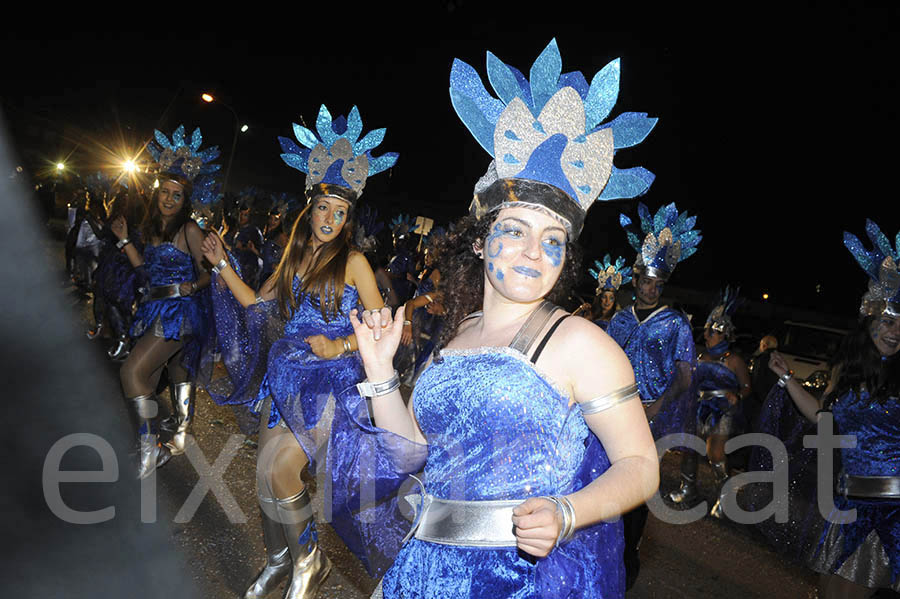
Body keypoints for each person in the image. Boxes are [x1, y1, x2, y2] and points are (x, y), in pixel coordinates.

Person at [348, 38, 660, 598]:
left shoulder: (580, 343)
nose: (533, 252)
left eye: (553, 240)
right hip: (422, 569)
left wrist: (568, 513)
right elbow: (411, 454)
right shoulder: (459, 333)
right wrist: (380, 372)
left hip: (514, 581)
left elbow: (639, 464)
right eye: (514, 230)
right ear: (479, 241)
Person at [202, 104, 397, 599]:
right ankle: (278, 560)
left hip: (329, 382)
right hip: (284, 377)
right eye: (324, 208)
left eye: (341, 211)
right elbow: (254, 304)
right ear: (309, 207)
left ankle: (310, 562)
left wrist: (340, 344)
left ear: (350, 217)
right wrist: (222, 263)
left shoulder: (354, 262)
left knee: (284, 471)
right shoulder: (292, 257)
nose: (331, 219)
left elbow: (387, 327)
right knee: (265, 478)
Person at [760, 220, 900, 598]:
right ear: (869, 320)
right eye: (888, 321)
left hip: (889, 509)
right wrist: (787, 378)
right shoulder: (846, 369)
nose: (895, 332)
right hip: (847, 500)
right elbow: (823, 418)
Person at [111, 125, 219, 479]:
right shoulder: (150, 230)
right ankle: (153, 445)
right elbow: (144, 272)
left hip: (179, 313)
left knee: (132, 372)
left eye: (177, 195)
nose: (170, 200)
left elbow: (210, 272)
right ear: (156, 194)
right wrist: (125, 241)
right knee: (150, 376)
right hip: (153, 309)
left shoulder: (188, 230)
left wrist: (193, 284)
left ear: (185, 200)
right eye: (165, 193)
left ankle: (151, 449)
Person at [607, 201, 701, 589]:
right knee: (607, 478)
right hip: (615, 412)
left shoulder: (675, 322)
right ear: (636, 280)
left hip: (652, 416)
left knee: (638, 486)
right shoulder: (620, 318)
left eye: (657, 283)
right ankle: (605, 550)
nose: (650, 288)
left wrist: (657, 405)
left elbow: (684, 375)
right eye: (646, 281)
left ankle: (628, 558)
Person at [666, 287, 751, 517]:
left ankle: (724, 499)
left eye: (711, 332)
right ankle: (688, 489)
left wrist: (738, 395)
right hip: (700, 407)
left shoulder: (733, 360)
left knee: (715, 452)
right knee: (689, 447)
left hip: (723, 410)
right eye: (706, 332)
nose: (706, 336)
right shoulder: (701, 356)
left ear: (724, 335)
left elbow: (747, 386)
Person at [588, 254, 631, 331]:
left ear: (615, 300)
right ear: (600, 297)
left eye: (611, 298)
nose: (607, 301)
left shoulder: (619, 320)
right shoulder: (589, 314)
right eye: (604, 297)